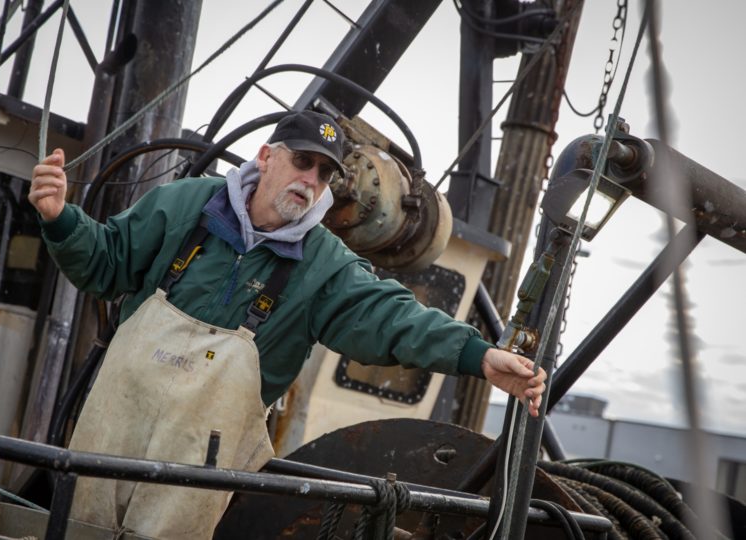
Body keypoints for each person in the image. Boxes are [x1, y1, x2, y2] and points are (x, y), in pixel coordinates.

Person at [29, 110, 546, 539]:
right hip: (108, 437)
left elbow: (391, 317)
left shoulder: (325, 266)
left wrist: (478, 355)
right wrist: (60, 218)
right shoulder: (185, 206)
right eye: (302, 162)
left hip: (197, 476)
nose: (311, 181)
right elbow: (104, 263)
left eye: (324, 174)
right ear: (266, 157)